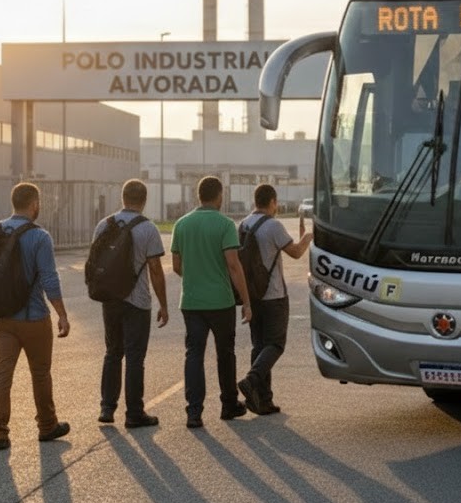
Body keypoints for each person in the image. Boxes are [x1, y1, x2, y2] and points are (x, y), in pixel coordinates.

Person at [0, 182, 70, 451]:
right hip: (33, 318)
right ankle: (47, 425)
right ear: (34, 204)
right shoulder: (40, 236)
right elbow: (49, 279)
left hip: (1, 317)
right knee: (40, 373)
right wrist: (62, 314)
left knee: (2, 373)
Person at [171, 176, 251, 429]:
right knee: (225, 353)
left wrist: (195, 277)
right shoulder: (225, 224)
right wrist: (247, 301)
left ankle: (194, 412)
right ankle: (229, 405)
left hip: (192, 301)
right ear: (219, 196)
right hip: (220, 301)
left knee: (194, 354)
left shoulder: (181, 224)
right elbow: (234, 265)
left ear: (198, 196)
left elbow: (176, 266)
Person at [93, 179, 169, 429]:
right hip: (137, 302)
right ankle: (134, 413)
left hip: (111, 298)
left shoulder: (104, 225)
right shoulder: (147, 228)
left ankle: (107, 407)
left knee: (113, 352)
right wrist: (164, 305)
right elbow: (156, 270)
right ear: (144, 200)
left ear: (122, 198)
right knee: (135, 357)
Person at [237, 184, 313, 415]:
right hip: (274, 295)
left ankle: (263, 400)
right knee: (276, 344)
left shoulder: (243, 224)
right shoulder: (273, 225)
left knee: (259, 346)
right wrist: (308, 237)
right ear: (272, 202)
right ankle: (251, 380)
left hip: (252, 295)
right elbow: (296, 252)